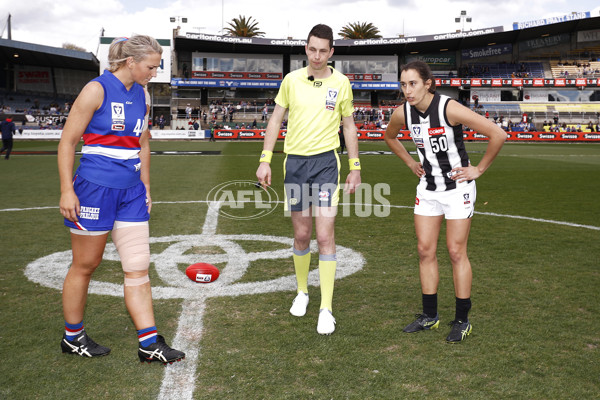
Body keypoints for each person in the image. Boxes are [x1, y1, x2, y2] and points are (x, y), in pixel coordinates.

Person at [57, 35, 185, 363]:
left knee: (138, 266)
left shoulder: (141, 95)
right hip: (93, 190)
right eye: (150, 66)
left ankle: (149, 343)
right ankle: (72, 337)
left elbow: (143, 143)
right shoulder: (96, 89)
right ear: (130, 62)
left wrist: (146, 188)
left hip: (131, 193)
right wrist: (67, 190)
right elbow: (68, 142)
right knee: (86, 265)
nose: (154, 72)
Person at [383, 61, 506, 343]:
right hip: (428, 189)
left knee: (455, 252)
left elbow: (497, 134)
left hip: (457, 188)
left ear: (428, 83)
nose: (407, 90)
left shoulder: (448, 108)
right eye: (403, 84)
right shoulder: (402, 113)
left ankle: (462, 320)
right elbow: (390, 137)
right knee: (425, 250)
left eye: (412, 83)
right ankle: (429, 316)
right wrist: (410, 162)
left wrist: (479, 169)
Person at [256, 24, 361, 335]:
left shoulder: (341, 83)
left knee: (325, 235)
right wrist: (265, 159)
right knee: (302, 235)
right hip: (295, 165)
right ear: (306, 48)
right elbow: (276, 118)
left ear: (331, 52)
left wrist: (355, 166)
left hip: (327, 163)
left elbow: (349, 125)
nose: (317, 56)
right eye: (312, 49)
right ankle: (302, 291)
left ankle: (326, 308)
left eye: (323, 50)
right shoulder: (291, 80)